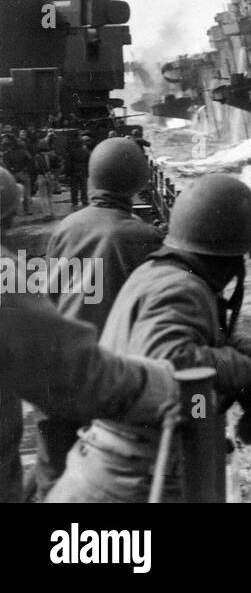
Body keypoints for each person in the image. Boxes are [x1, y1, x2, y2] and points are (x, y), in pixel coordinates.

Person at [47, 174, 251, 503]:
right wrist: (245, 375)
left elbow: (202, 334)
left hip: (111, 470)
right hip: (132, 486)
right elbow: (169, 358)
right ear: (238, 256)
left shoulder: (161, 274)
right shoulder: (183, 288)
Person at [0, 169, 179, 503]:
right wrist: (164, 385)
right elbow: (80, 372)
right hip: (91, 369)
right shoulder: (3, 275)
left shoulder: (67, 227)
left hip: (49, 394)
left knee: (50, 467)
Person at [66, 133, 92, 208]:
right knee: (84, 186)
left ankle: (74, 201)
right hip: (83, 169)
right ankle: (84, 200)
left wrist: (68, 173)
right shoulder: (86, 151)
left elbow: (69, 162)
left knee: (74, 187)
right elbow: (89, 161)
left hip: (74, 170)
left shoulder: (72, 151)